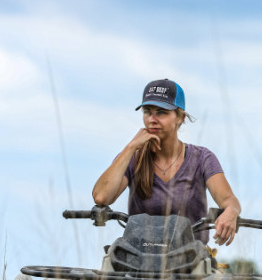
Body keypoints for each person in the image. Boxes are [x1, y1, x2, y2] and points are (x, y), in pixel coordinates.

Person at [92, 78, 241, 246]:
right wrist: (131, 147)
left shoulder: (202, 158)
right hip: (137, 255)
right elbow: (102, 197)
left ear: (180, 117)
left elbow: (228, 200)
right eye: (147, 112)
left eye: (161, 112)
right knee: (111, 259)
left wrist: (231, 212)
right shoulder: (131, 157)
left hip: (190, 256)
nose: (152, 119)